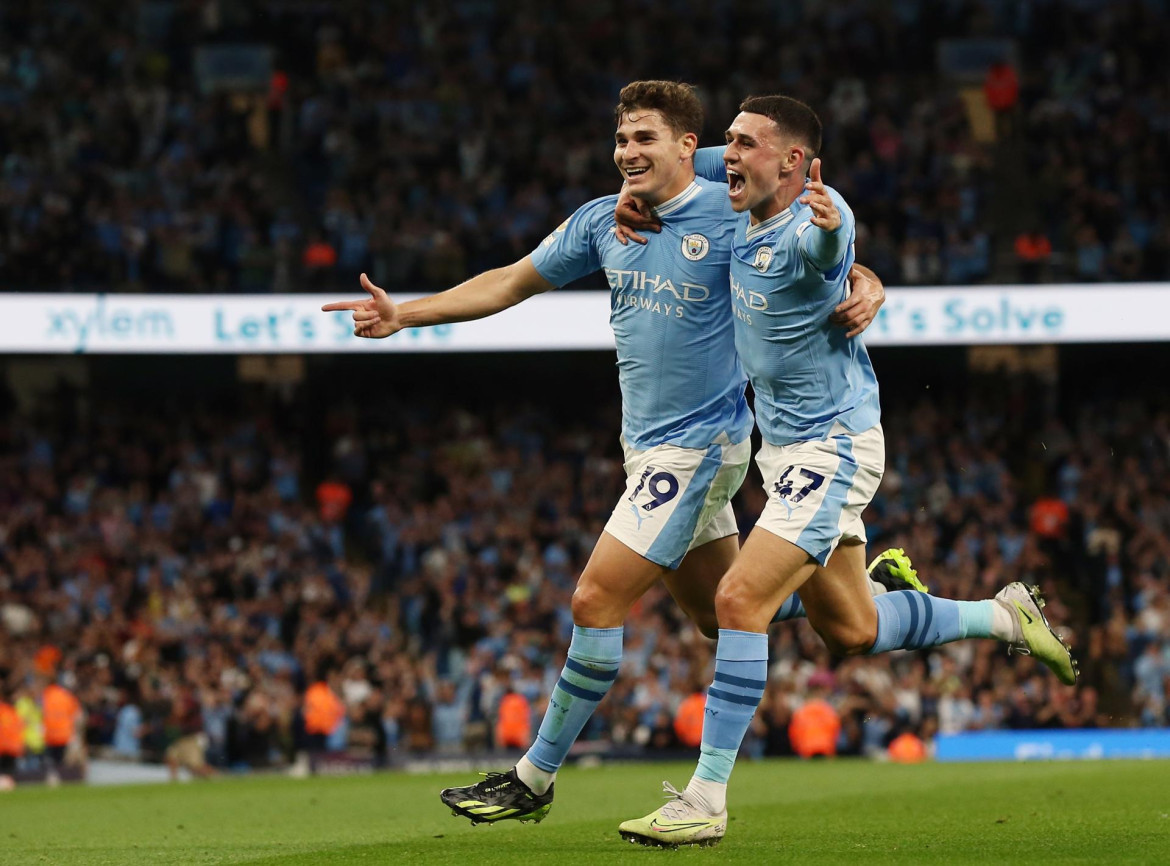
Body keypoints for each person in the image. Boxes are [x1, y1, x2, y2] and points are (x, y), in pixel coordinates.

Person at [322, 80, 900, 827]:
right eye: (621, 140)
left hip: (699, 448)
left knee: (595, 598)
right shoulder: (603, 222)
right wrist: (408, 313)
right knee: (719, 619)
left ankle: (534, 778)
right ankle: (846, 582)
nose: (627, 153)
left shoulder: (729, 213)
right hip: (644, 447)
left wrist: (863, 275)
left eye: (645, 140)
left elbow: (791, 192)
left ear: (691, 148)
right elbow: (509, 283)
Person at [616, 95, 1078, 849]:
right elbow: (673, 160)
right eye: (726, 143)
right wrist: (636, 191)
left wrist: (849, 261)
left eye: (746, 145)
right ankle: (1005, 615)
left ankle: (704, 799)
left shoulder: (813, 224)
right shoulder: (737, 197)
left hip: (833, 448)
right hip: (785, 452)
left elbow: (831, 248)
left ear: (794, 162)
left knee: (737, 599)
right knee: (852, 629)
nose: (727, 155)